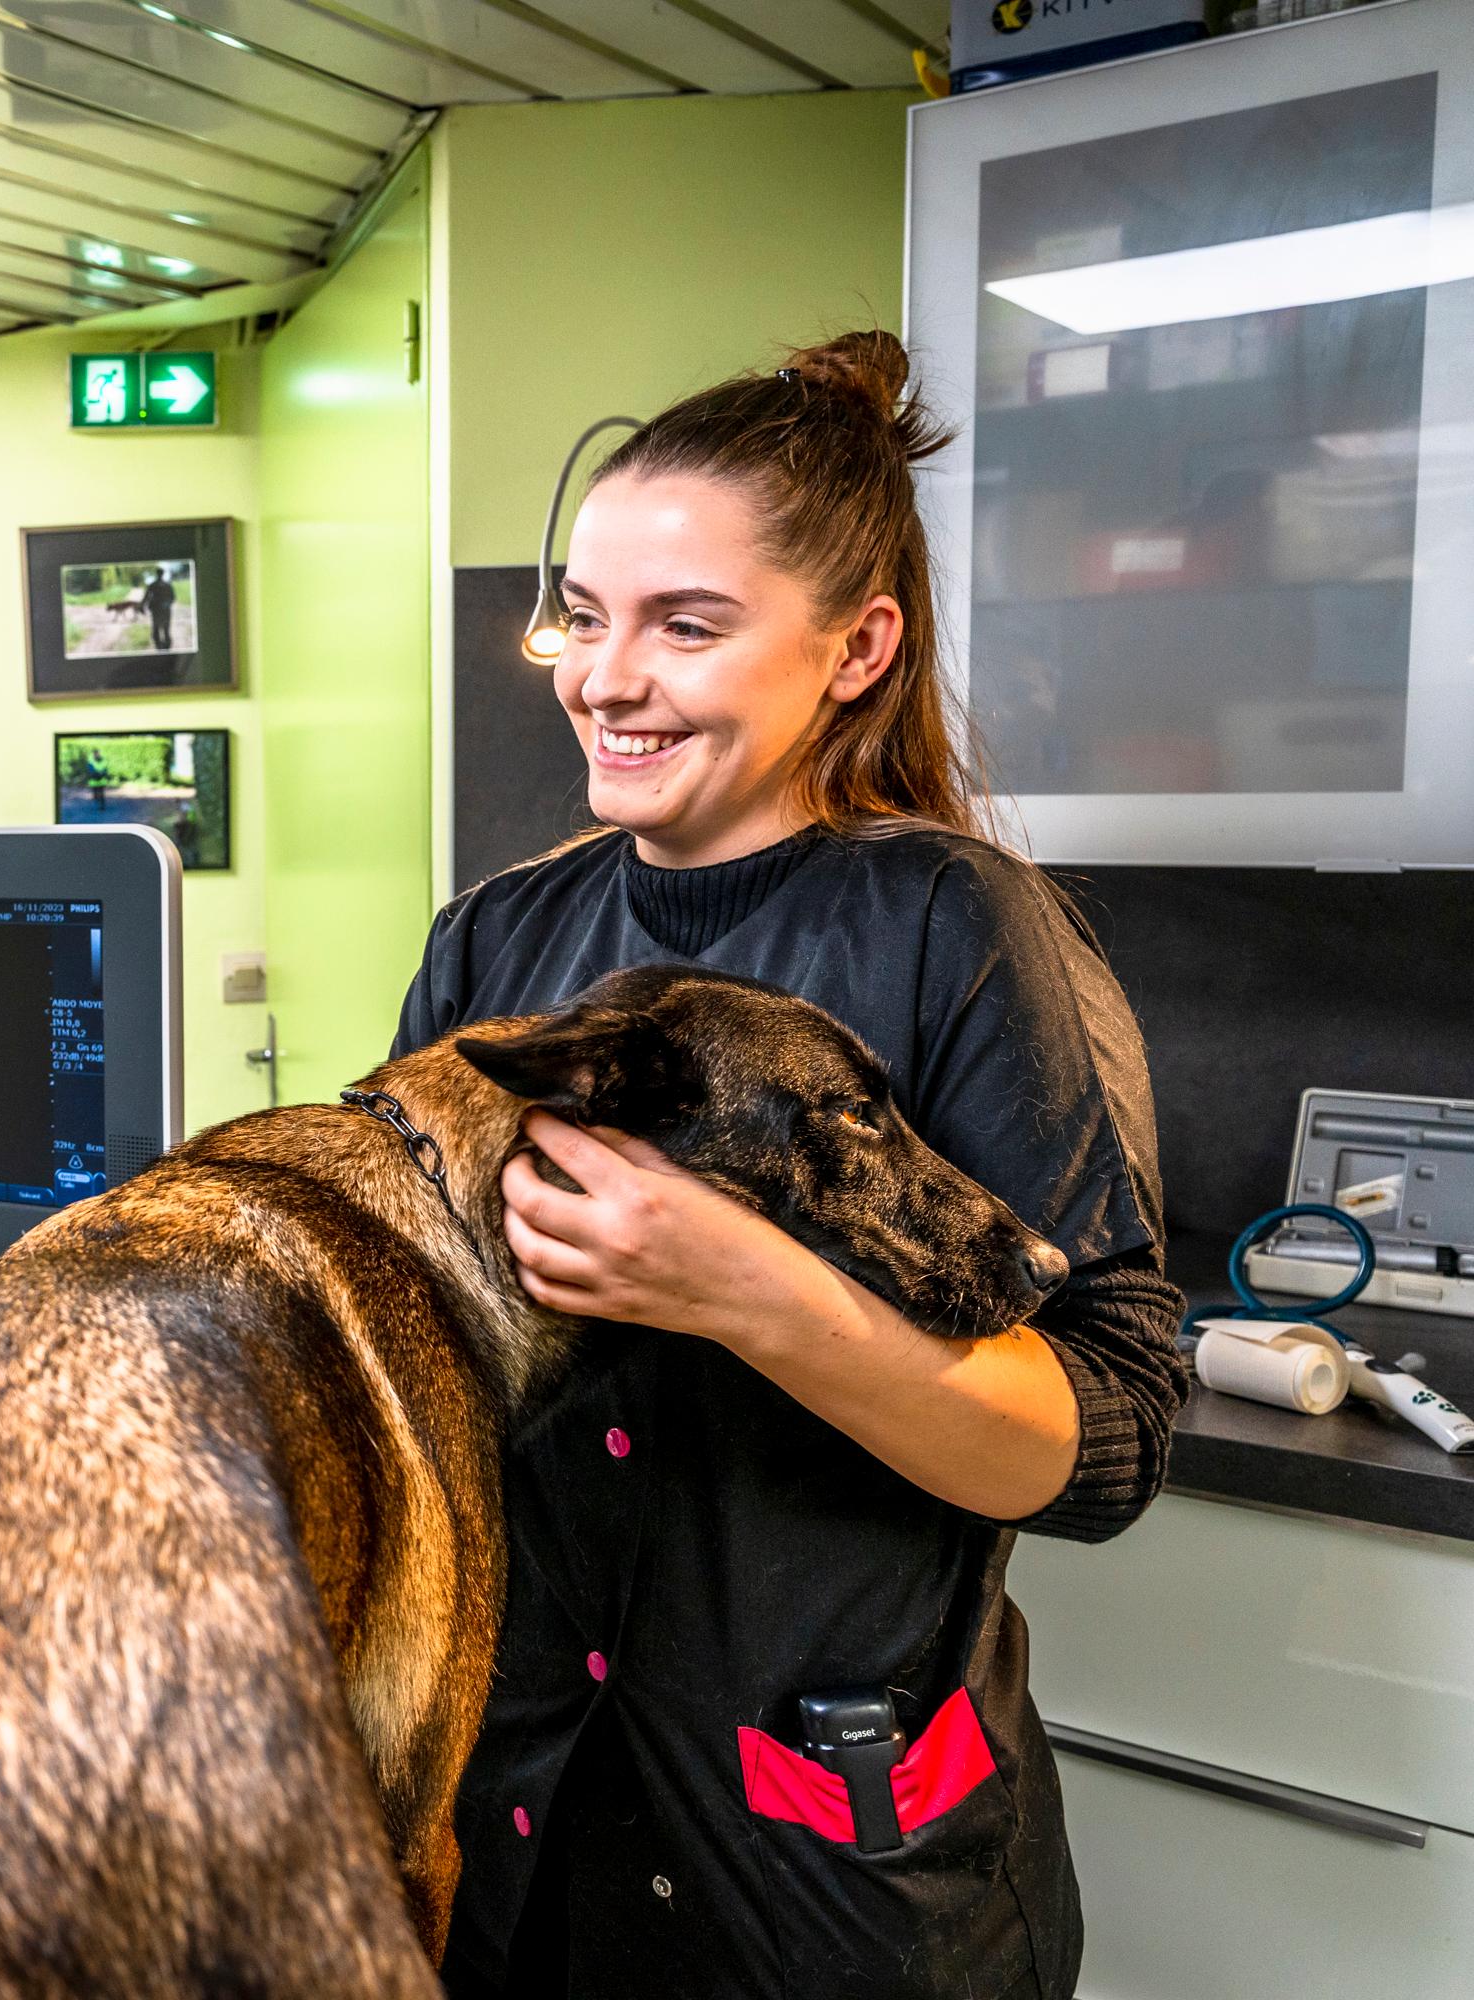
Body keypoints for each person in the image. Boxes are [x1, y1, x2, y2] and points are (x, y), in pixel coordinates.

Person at [394, 333, 1185, 1998]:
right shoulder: (493, 939)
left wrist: (746, 1291)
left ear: (855, 648)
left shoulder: (962, 932)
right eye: (586, 616)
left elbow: (1107, 1440)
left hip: (829, 1866)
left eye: (687, 626)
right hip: (519, 1830)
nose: (608, 677)